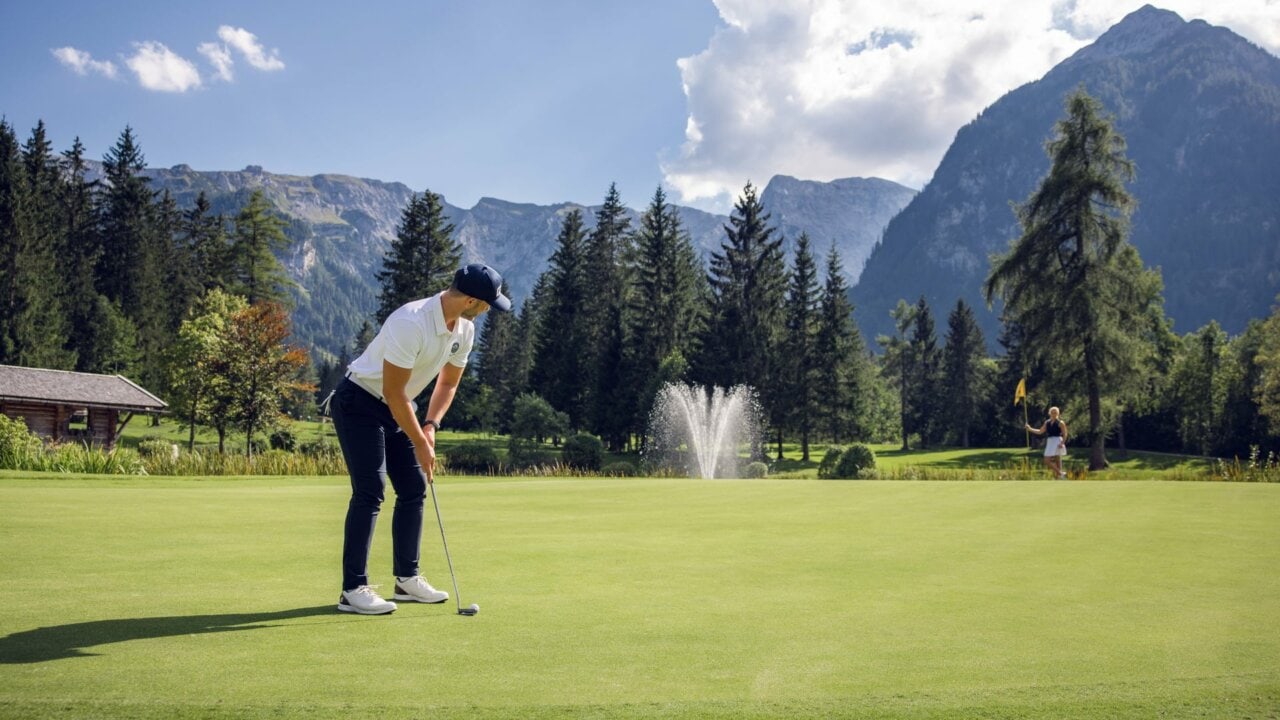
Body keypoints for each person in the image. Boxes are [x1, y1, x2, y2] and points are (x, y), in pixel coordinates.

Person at [328, 264, 511, 614]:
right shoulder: (411, 321)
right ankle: (353, 589)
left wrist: (430, 426)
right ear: (472, 300)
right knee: (371, 490)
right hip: (360, 402)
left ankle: (406, 580)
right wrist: (419, 443)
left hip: (399, 407)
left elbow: (448, 383)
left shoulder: (465, 329)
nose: (489, 310)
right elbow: (393, 393)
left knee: (413, 487)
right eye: (488, 303)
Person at [1026, 406, 1069, 479]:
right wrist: (1030, 429)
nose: (1054, 414)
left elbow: (1065, 434)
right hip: (1050, 441)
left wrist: (1062, 443)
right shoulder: (1047, 422)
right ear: (1050, 413)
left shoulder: (1060, 423)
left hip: (1057, 441)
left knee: (1057, 459)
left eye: (1055, 412)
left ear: (1058, 413)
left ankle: (1059, 477)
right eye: (1052, 412)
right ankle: (1060, 473)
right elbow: (1040, 431)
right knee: (1046, 460)